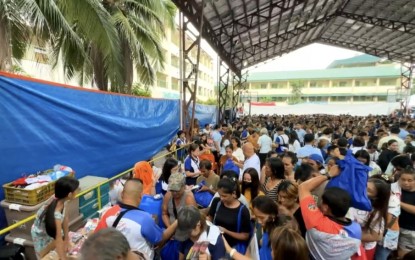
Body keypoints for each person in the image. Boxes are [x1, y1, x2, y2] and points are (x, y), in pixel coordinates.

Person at [95, 179, 177, 260]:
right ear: (141, 196)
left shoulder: (109, 213)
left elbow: (96, 237)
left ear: (122, 193)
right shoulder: (144, 219)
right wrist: (177, 222)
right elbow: (160, 239)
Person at [298, 167, 362, 260]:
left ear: (325, 207)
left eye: (322, 201)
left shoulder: (316, 223)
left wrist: (329, 175)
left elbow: (303, 187)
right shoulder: (357, 230)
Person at [32, 176, 79, 260]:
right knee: (45, 256)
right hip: (41, 235)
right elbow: (58, 239)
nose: (78, 191)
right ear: (70, 194)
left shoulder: (62, 198)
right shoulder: (56, 215)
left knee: (59, 248)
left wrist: (67, 239)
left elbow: (65, 218)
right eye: (77, 190)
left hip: (52, 229)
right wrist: (63, 258)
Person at [348, 177, 390, 260]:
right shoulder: (353, 200)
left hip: (362, 249)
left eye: (369, 190)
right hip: (347, 244)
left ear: (376, 197)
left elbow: (376, 237)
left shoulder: (375, 213)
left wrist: (349, 235)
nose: (363, 190)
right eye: (364, 186)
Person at [208, 178, 251, 254]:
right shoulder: (217, 202)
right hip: (214, 242)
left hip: (232, 248)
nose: (221, 198)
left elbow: (245, 236)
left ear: (234, 194)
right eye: (220, 195)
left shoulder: (243, 211)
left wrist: (226, 231)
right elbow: (210, 218)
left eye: (224, 196)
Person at [398, 167, 415, 258]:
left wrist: (399, 203)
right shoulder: (396, 189)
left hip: (409, 230)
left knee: (404, 255)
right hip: (393, 228)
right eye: (403, 179)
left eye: (410, 180)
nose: (406, 183)